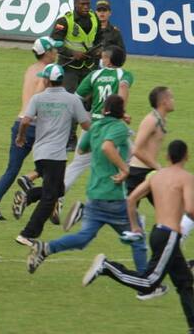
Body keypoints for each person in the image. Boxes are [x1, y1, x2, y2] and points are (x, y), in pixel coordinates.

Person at [26, 96, 151, 299]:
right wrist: (124, 168)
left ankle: (46, 248)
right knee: (137, 237)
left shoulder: (96, 127)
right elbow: (107, 147)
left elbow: (83, 148)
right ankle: (146, 283)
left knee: (83, 239)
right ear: (121, 111)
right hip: (113, 196)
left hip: (94, 193)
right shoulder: (118, 129)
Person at [83, 140, 194, 331]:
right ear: (186, 156)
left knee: (185, 283)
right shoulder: (186, 178)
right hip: (169, 236)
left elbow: (131, 198)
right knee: (149, 282)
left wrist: (135, 226)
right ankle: (108, 267)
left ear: (167, 156)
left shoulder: (155, 176)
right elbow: (191, 209)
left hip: (158, 233)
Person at [0, 37, 62, 221]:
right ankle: (33, 183)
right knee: (54, 164)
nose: (56, 53)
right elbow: (40, 99)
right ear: (47, 52)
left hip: (20, 122)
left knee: (11, 169)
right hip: (37, 126)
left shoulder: (30, 70)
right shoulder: (47, 74)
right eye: (54, 50)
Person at [13, 65, 91, 245]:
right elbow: (86, 125)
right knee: (50, 197)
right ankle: (27, 234)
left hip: (39, 153)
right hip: (56, 154)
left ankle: (28, 196)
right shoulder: (72, 100)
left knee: (58, 190)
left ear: (48, 80)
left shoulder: (38, 98)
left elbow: (25, 120)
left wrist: (21, 136)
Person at [61, 45, 133, 230]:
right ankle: (125, 209)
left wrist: (83, 116)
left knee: (78, 164)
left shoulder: (94, 75)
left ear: (107, 60)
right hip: (113, 127)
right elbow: (123, 89)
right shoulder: (124, 75)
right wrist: (122, 111)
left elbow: (77, 97)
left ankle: (56, 198)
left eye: (103, 56)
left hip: (93, 127)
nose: (101, 59)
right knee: (132, 162)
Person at [50, 0, 100, 150]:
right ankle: (69, 138)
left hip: (88, 66)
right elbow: (55, 42)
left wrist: (99, 50)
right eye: (82, 4)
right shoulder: (64, 21)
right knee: (70, 102)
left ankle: (92, 136)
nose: (86, 7)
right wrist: (72, 53)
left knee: (90, 103)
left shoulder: (94, 18)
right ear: (75, 5)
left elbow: (99, 39)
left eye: (88, 4)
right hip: (69, 67)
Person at [127, 87, 174, 205]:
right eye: (171, 98)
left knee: (166, 208)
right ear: (164, 101)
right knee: (124, 214)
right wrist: (157, 166)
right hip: (137, 173)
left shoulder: (162, 120)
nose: (174, 101)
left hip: (150, 171)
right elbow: (136, 149)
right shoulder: (151, 120)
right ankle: (86, 211)